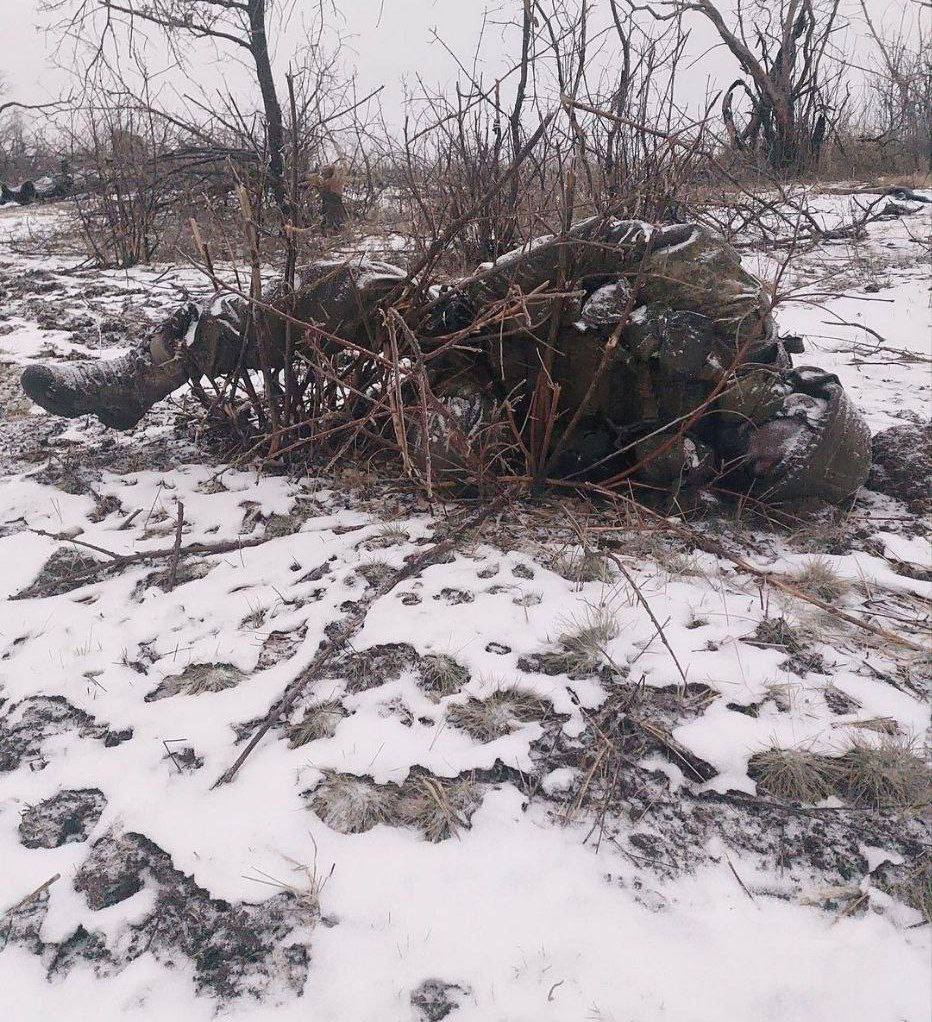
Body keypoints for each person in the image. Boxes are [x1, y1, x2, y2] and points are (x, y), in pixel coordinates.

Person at [20, 218, 871, 504]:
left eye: (769, 479)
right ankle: (140, 376)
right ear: (797, 408)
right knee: (353, 292)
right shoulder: (729, 304)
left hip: (491, 396)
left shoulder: (690, 455)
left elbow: (572, 466)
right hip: (486, 321)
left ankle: (368, 419)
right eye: (783, 457)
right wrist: (483, 294)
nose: (759, 467)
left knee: (439, 460)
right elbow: (606, 237)